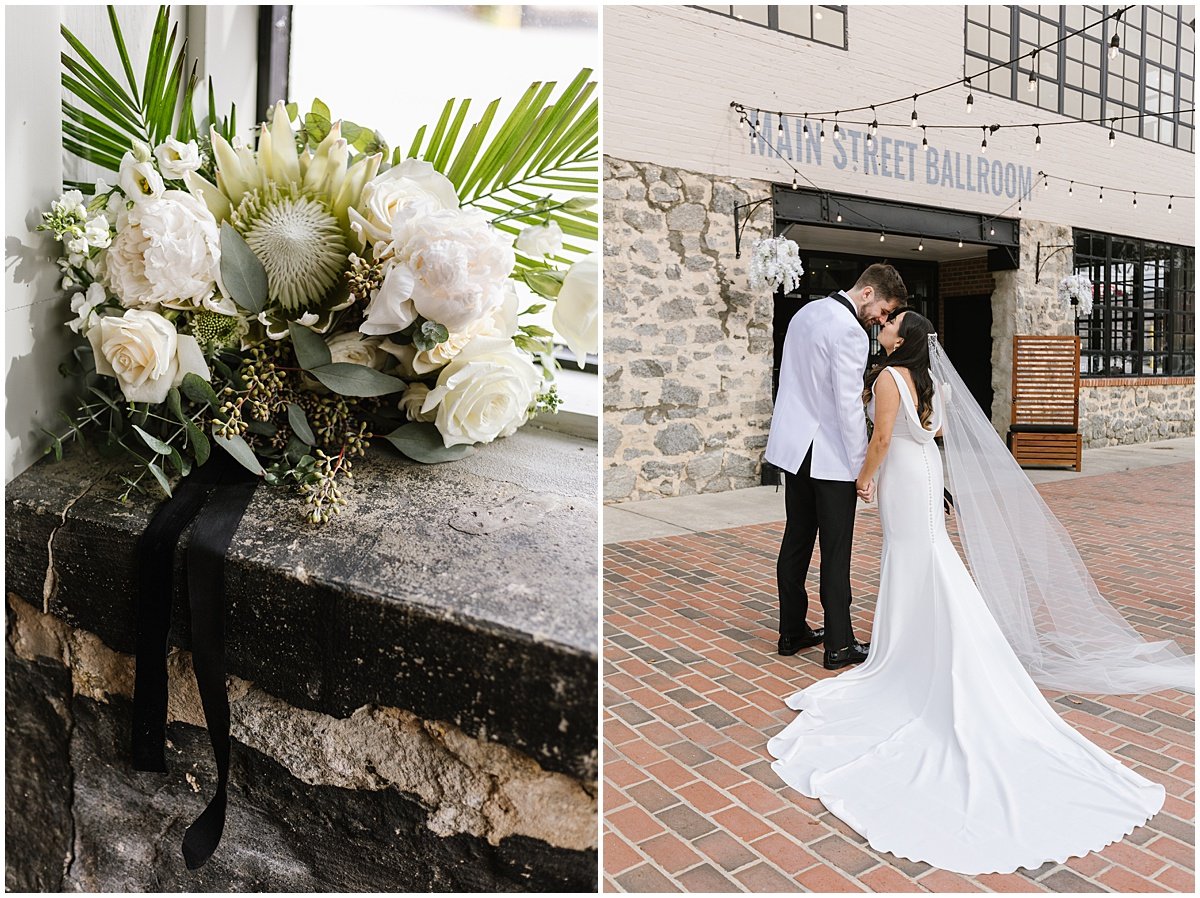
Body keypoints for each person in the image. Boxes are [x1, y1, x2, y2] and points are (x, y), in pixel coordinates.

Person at [766, 311, 1178, 874]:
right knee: (929, 557)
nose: (882, 328)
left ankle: (913, 651)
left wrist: (864, 478)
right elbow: (931, 433)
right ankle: (942, 640)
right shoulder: (929, 381)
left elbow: (883, 436)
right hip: (926, 469)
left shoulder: (889, 378)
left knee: (913, 557)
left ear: (901, 339)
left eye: (889, 326)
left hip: (904, 475)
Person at [764, 263, 907, 669]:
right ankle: (839, 645)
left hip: (795, 451)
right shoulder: (850, 331)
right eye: (882, 310)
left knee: (796, 542)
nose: (881, 320)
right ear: (867, 293)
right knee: (836, 551)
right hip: (829, 456)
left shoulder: (805, 313)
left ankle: (791, 631)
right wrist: (864, 468)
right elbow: (847, 407)